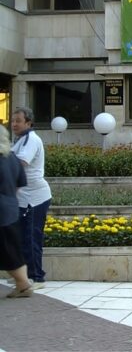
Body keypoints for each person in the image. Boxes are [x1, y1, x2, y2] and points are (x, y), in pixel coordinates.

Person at [11, 107, 51, 289]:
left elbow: (21, 163)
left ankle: (37, 277)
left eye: (18, 121)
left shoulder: (31, 140)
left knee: (32, 238)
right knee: (21, 238)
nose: (14, 124)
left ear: (28, 123)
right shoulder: (19, 140)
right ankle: (25, 276)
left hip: (35, 198)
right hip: (23, 198)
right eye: (13, 121)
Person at [0, 124, 32, 298]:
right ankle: (23, 285)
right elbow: (20, 183)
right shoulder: (12, 157)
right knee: (11, 249)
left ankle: (23, 284)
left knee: (9, 251)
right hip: (11, 208)